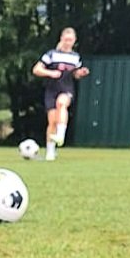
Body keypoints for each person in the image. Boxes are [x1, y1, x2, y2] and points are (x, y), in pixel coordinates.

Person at [32, 27, 88, 161]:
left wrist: (81, 73)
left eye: (71, 40)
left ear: (74, 41)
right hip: (51, 90)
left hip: (66, 89)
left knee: (62, 103)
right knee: (52, 121)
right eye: (66, 39)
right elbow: (36, 69)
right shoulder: (51, 54)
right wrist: (50, 73)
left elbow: (76, 73)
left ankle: (61, 136)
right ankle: (51, 151)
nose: (68, 42)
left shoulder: (75, 57)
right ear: (61, 39)